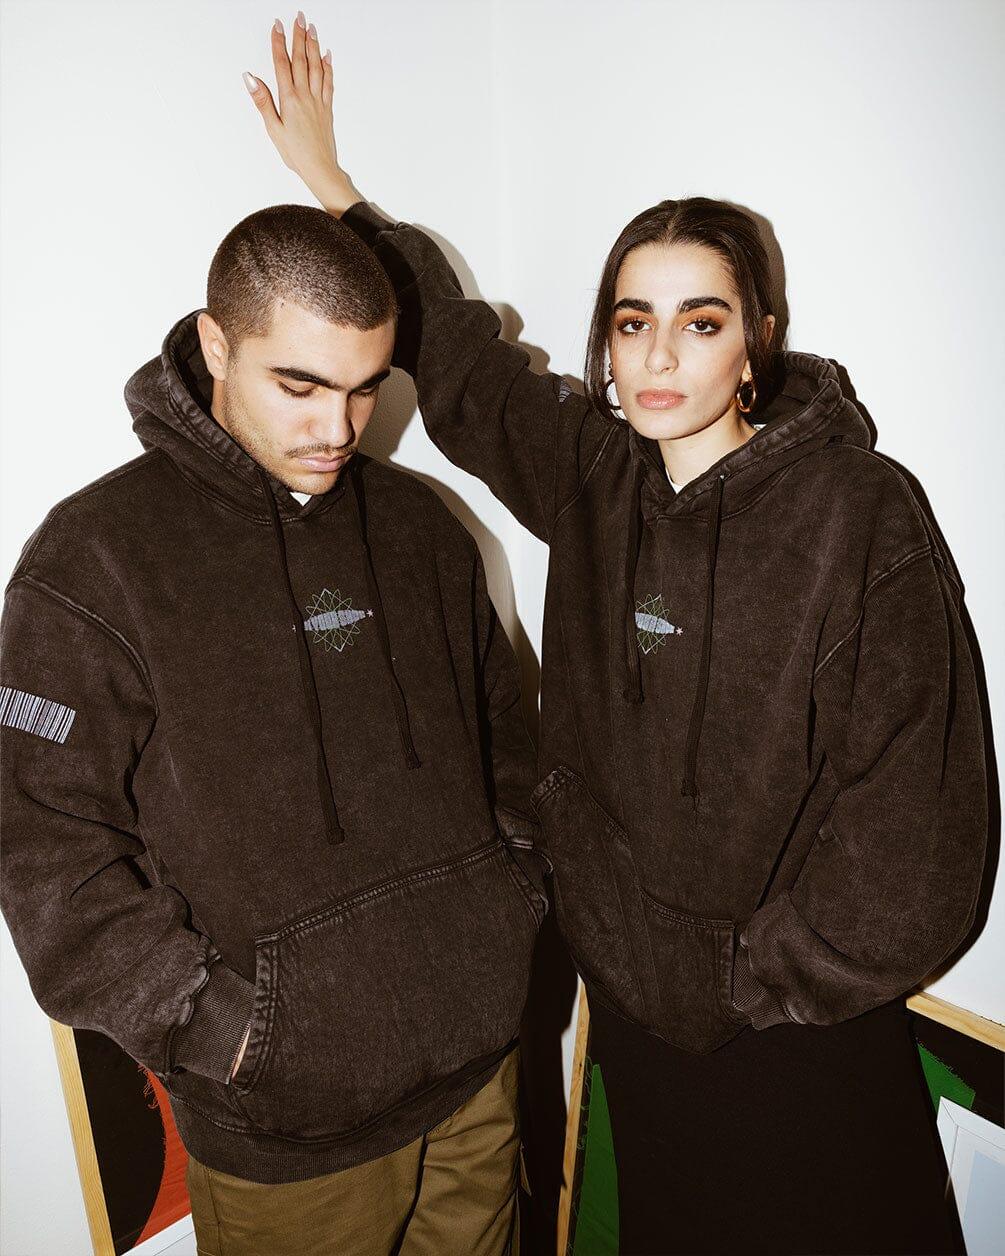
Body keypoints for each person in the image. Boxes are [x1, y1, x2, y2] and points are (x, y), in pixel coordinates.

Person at [245, 12, 990, 1254]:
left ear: (756, 340)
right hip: (638, 1030)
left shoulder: (855, 513)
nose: (659, 352)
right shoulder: (598, 476)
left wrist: (744, 978)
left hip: (797, 1044)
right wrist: (335, 188)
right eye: (633, 320)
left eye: (701, 320)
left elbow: (922, 837)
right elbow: (464, 365)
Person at [0, 192, 552, 1253]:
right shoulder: (94, 560)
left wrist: (512, 902)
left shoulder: (421, 525)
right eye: (299, 385)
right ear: (217, 345)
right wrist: (228, 1033)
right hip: (290, 1136)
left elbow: (507, 740)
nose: (337, 428)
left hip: (477, 1071)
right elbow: (46, 852)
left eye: (364, 387)